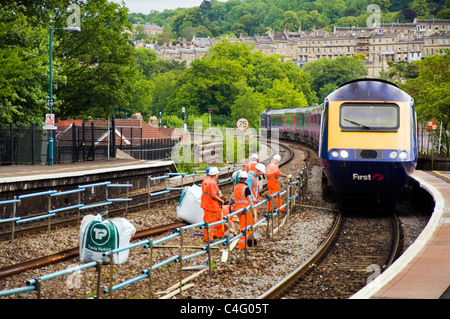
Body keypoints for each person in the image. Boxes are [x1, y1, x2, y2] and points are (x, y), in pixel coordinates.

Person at [200, 167, 225, 242]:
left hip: (206, 204)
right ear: (215, 175)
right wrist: (220, 200)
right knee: (211, 223)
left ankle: (208, 237)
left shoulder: (205, 180)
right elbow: (213, 195)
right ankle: (209, 239)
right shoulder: (212, 183)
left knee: (207, 221)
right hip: (211, 205)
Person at [233, 171, 255, 249]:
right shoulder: (246, 188)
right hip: (245, 210)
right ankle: (242, 245)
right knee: (245, 227)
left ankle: (245, 242)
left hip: (238, 209)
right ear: (246, 179)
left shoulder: (236, 187)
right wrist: (252, 210)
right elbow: (250, 200)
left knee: (243, 225)